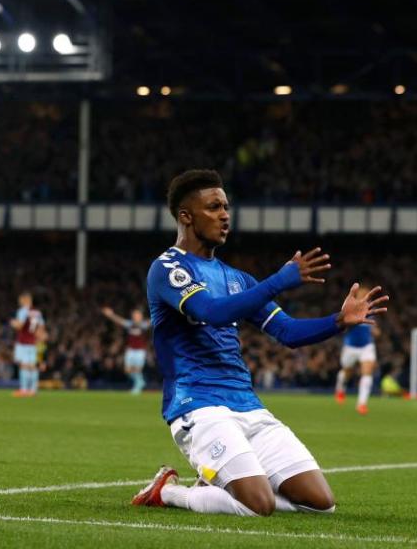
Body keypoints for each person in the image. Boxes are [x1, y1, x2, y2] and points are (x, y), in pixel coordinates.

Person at [132, 169, 388, 517]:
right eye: (214, 207)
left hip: (247, 406)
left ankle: (223, 483)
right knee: (258, 506)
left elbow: (289, 333)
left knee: (320, 505)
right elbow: (211, 311)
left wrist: (338, 321)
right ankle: (169, 493)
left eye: (226, 207)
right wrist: (278, 281)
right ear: (186, 216)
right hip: (198, 405)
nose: (225, 215)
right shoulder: (167, 268)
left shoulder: (236, 278)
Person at [334, 297, 381, 414]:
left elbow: (373, 328)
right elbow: (343, 326)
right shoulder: (350, 309)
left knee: (367, 373)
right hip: (351, 346)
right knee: (347, 372)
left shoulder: (371, 311)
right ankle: (340, 388)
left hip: (367, 346)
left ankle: (362, 404)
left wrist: (376, 331)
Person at [100, 306, 151, 394]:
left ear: (141, 316)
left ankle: (138, 385)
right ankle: (140, 381)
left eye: (138, 315)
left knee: (137, 369)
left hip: (140, 351)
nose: (136, 317)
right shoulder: (129, 324)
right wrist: (111, 315)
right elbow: (119, 321)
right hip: (130, 350)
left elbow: (154, 320)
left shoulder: (144, 325)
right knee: (127, 370)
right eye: (135, 315)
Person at [10, 291, 44, 397]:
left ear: (25, 300)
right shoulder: (37, 312)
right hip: (33, 342)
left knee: (24, 366)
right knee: (33, 366)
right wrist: (38, 338)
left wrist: (13, 323)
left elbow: (20, 325)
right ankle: (33, 390)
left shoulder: (22, 311)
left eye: (21, 300)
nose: (19, 302)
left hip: (23, 341)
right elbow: (41, 327)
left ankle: (24, 390)